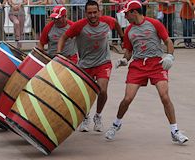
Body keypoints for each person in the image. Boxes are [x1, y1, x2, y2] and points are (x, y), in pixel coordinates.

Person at [105, 0, 189, 144]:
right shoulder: (129, 31)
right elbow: (128, 52)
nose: (125, 16)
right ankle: (116, 124)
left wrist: (170, 56)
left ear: (134, 12)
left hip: (156, 63)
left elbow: (168, 41)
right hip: (137, 65)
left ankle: (175, 131)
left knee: (164, 96)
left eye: (126, 13)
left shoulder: (154, 24)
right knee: (127, 99)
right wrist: (124, 60)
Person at [57, 0, 124, 132]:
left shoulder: (107, 21)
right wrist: (59, 53)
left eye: (95, 12)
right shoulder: (79, 26)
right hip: (85, 64)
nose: (93, 15)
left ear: (100, 12)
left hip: (103, 62)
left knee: (102, 90)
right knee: (83, 93)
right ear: (85, 13)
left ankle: (98, 116)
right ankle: (85, 116)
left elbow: (116, 24)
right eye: (89, 13)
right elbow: (63, 38)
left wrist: (122, 37)